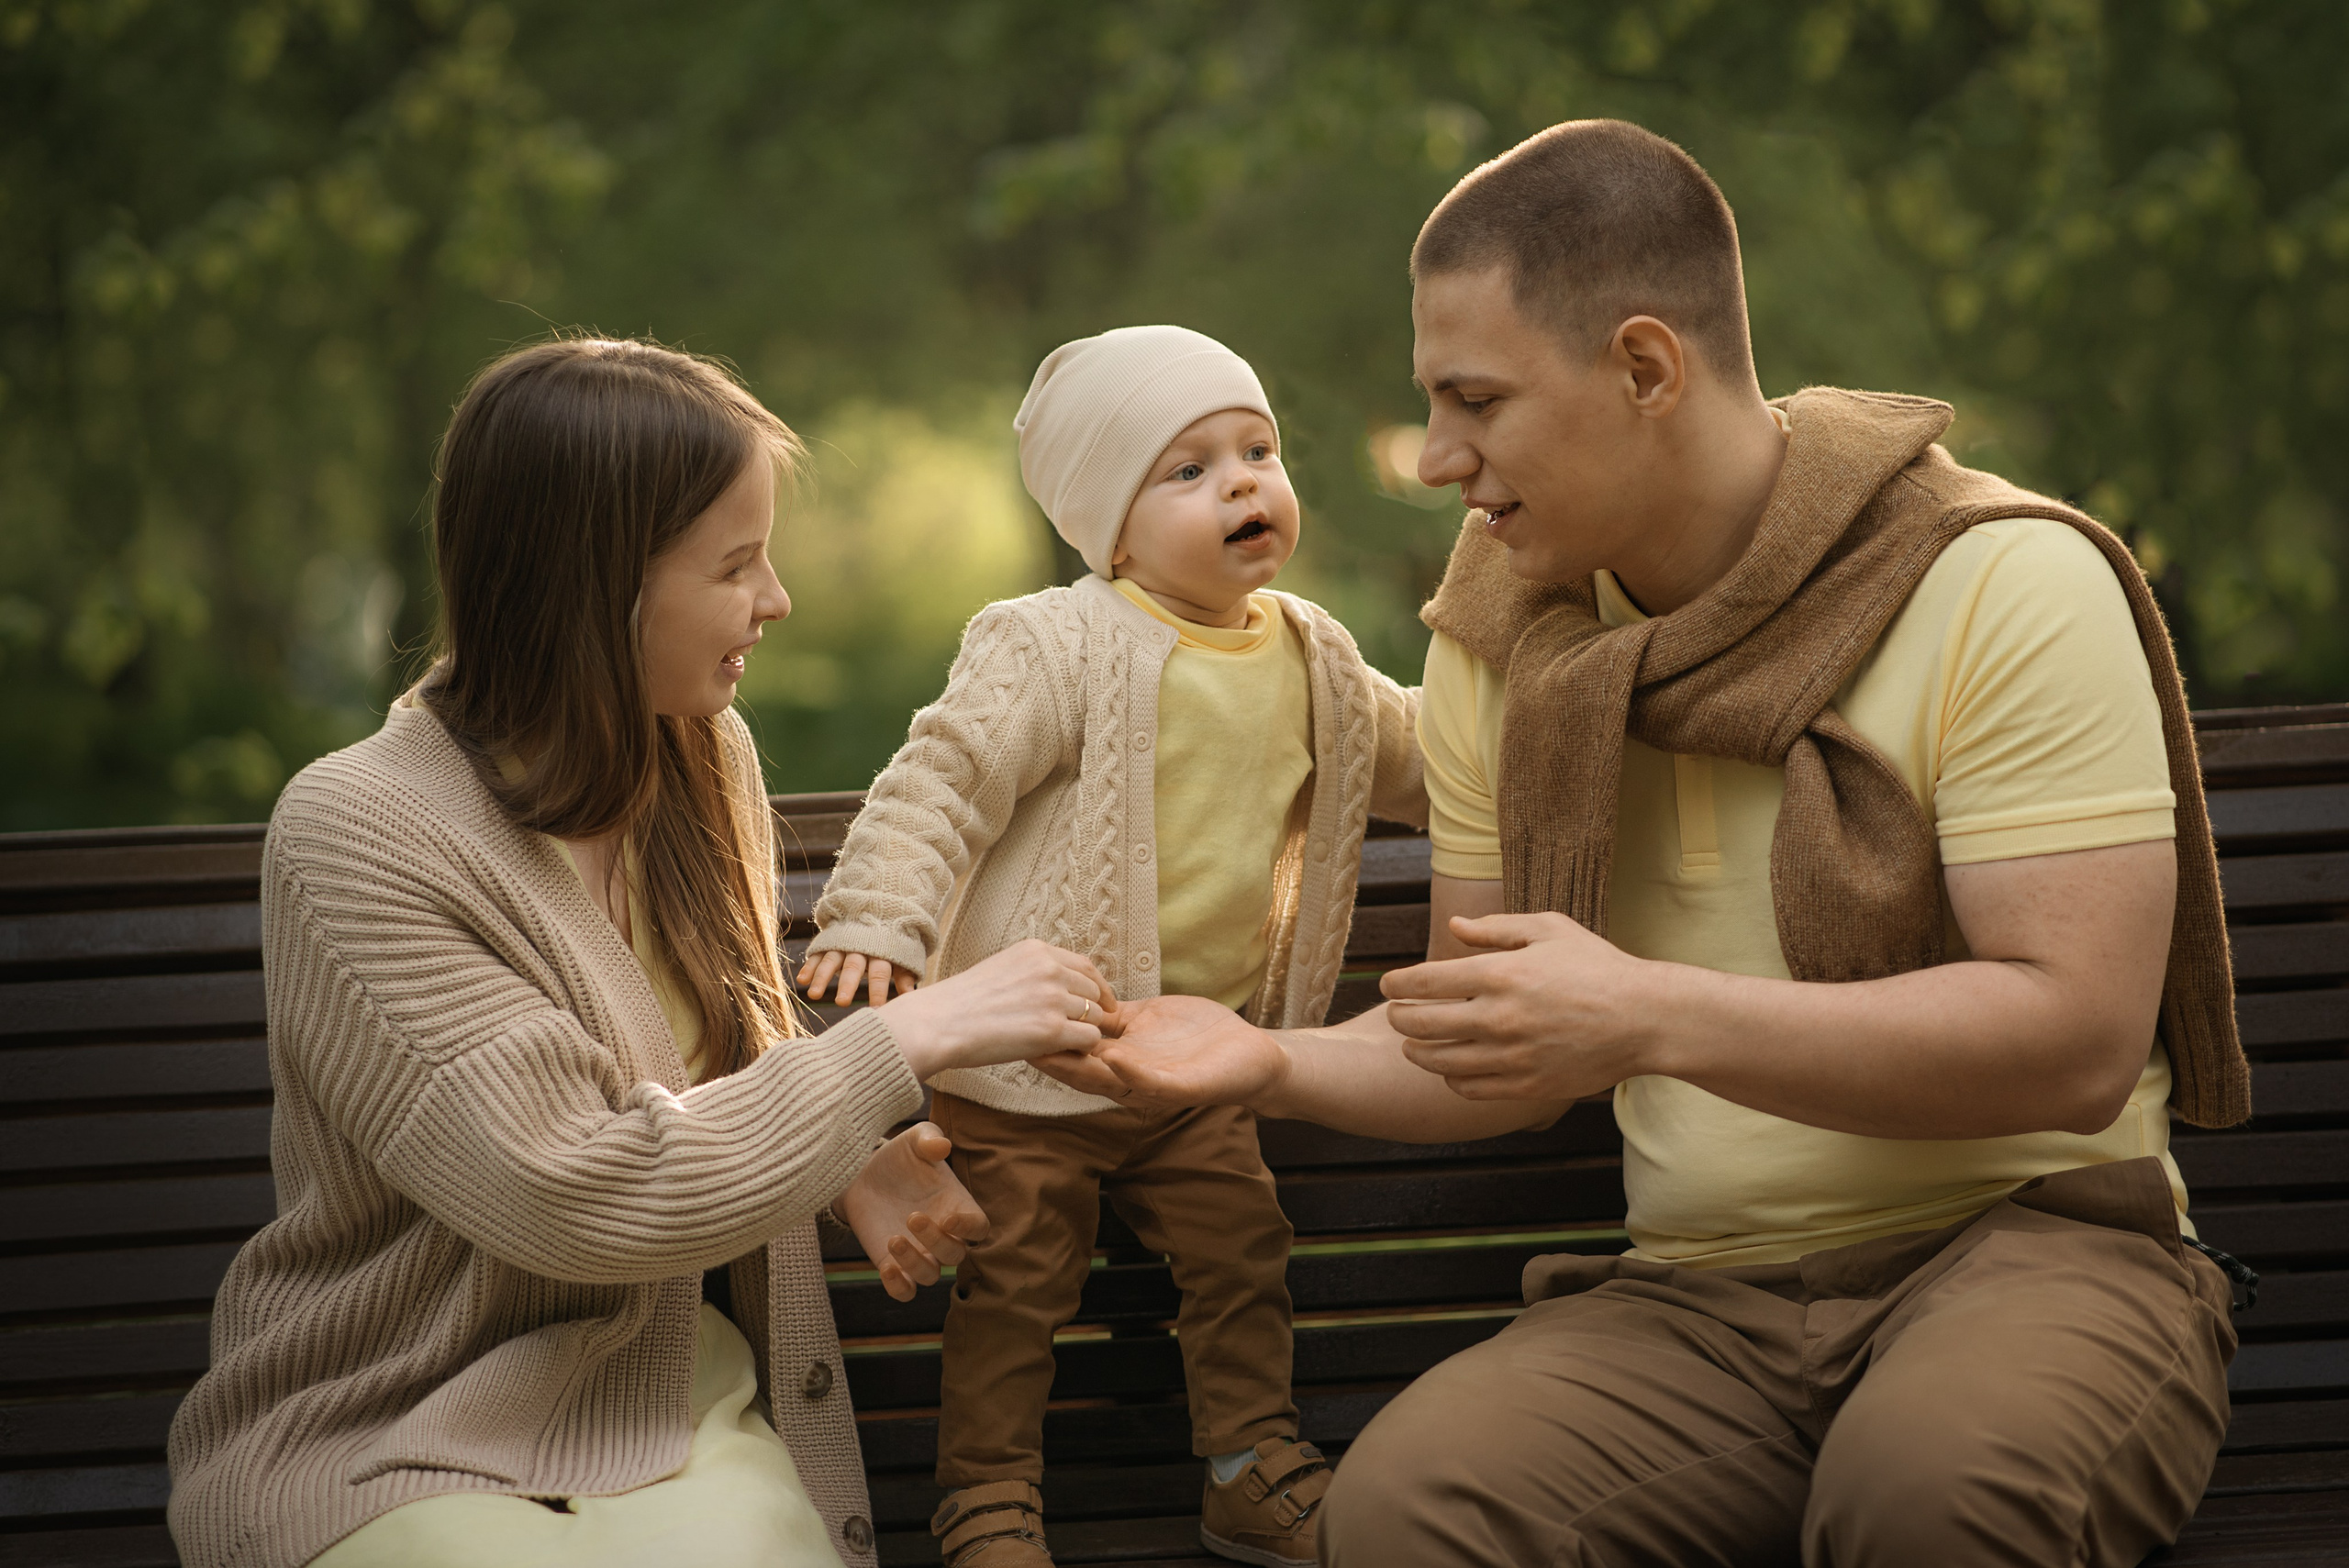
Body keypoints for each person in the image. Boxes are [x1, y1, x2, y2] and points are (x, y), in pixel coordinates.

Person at [1051, 122, 2250, 1566]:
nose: (1436, 460)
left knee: (1928, 1498)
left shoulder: (2002, 583)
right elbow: (1487, 1031)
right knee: (1409, 1507)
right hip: (1702, 1301)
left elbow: (2077, 1039)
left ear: (1644, 369)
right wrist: (1266, 1059)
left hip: (2038, 1243)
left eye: (1474, 400)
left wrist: (1650, 1014)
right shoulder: (1513, 639)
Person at [165, 338, 1126, 1568]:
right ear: (597, 587)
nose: (775, 598)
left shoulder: (696, 752)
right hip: (396, 1426)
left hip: (666, 1397)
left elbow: (714, 1046)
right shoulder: (358, 832)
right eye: (734, 565)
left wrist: (843, 1163)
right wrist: (912, 1036)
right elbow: (576, 1188)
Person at [796, 325, 1426, 1568]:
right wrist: (879, 917)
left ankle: (1248, 1466)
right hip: (1033, 1074)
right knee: (1017, 1283)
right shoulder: (1054, 642)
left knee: (1244, 1253)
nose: (1242, 481)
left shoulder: (1320, 660)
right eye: (1186, 469)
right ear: (1113, 532)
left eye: (1257, 449)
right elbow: (944, 779)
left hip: (1195, 1072)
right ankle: (985, 1496)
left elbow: (1434, 762)